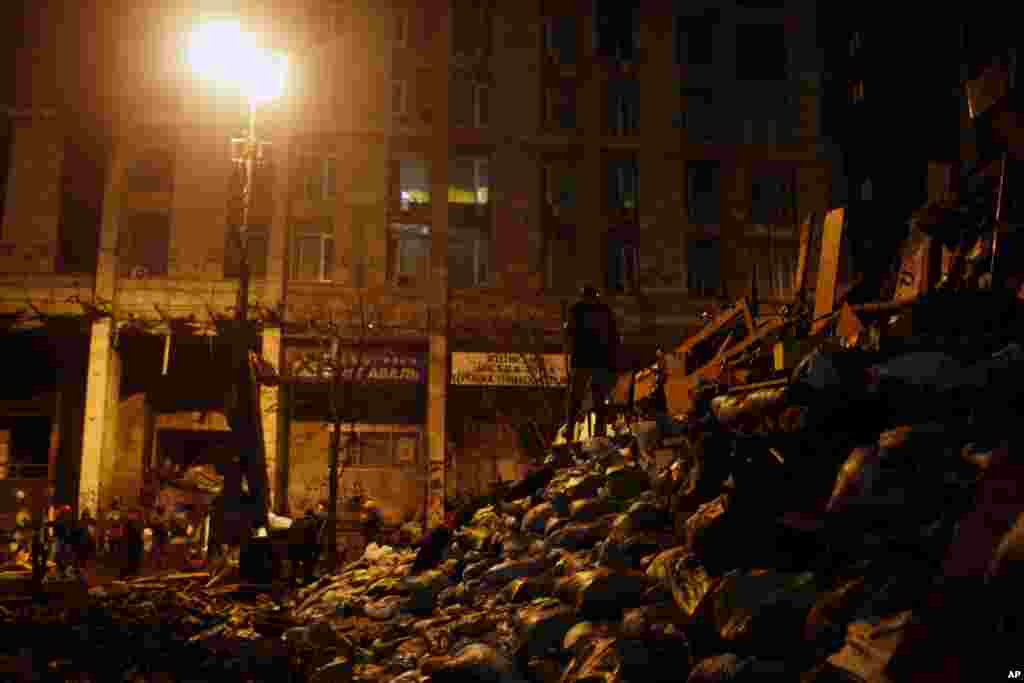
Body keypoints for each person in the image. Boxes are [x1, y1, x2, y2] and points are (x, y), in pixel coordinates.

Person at [564, 284, 620, 439]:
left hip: (587, 359)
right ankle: (591, 428)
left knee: (584, 395)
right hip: (594, 359)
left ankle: (573, 427)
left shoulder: (578, 310)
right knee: (594, 395)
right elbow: (614, 336)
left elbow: (569, 334)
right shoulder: (601, 310)